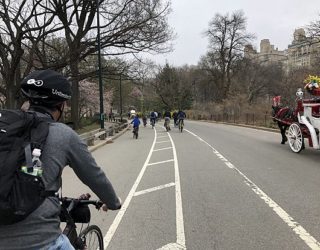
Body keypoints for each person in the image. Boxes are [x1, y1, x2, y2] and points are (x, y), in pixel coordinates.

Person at [0, 69, 122, 250]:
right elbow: (94, 176)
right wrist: (113, 202)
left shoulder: (5, 129)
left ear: (28, 100)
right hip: (39, 241)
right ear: (61, 105)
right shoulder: (63, 135)